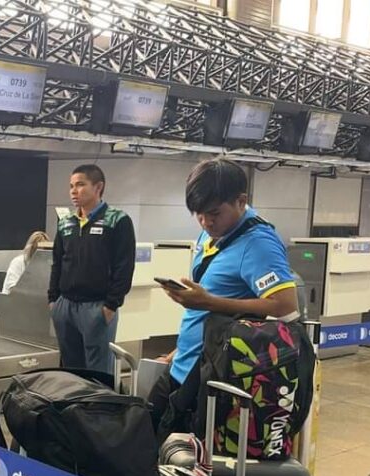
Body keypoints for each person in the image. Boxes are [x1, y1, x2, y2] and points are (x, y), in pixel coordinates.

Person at [151, 158, 298, 431]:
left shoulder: (259, 243)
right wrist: (178, 351)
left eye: (214, 213)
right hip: (184, 363)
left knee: (173, 446)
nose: (206, 221)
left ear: (241, 201)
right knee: (144, 432)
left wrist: (208, 302)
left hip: (210, 375)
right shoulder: (212, 233)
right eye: (198, 214)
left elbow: (286, 305)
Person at [48, 164, 136, 374]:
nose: (74, 191)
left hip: (97, 307)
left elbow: (124, 266)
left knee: (98, 372)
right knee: (70, 371)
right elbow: (57, 262)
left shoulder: (117, 220)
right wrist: (53, 300)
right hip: (65, 306)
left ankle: (97, 399)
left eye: (80, 185)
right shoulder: (66, 222)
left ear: (98, 187)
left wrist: (111, 305)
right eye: (71, 186)